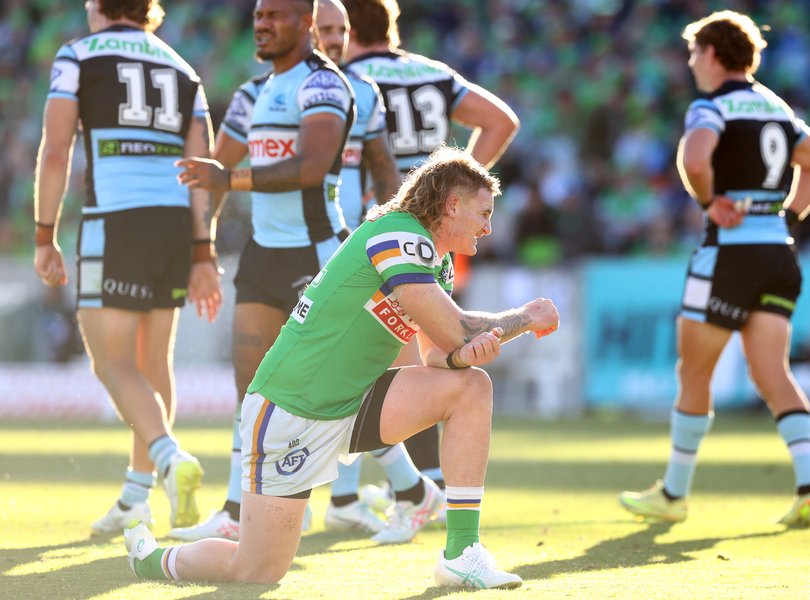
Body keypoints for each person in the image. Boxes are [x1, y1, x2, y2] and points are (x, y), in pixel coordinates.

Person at [124, 145, 560, 589]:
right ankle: (153, 559)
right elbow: (460, 329)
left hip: (353, 400)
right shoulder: (398, 235)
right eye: (483, 213)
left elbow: (437, 354)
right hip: (290, 407)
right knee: (256, 571)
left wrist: (465, 356)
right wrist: (525, 318)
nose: (488, 227)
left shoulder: (437, 261)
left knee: (471, 388)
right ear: (452, 205)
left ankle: (462, 554)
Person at [166, 0, 403, 542]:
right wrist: (202, 251)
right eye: (258, 15)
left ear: (305, 23)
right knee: (251, 392)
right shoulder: (252, 93)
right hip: (262, 256)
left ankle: (411, 489)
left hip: (317, 253)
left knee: (338, 387)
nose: (262, 23)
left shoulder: (325, 86)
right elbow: (212, 177)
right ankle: (234, 514)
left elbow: (311, 167)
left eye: (275, 14)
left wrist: (231, 179)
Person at [33, 0, 223, 534]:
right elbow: (200, 170)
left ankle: (169, 459)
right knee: (153, 363)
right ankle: (137, 496)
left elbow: (54, 153)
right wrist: (203, 251)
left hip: (115, 222)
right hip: (171, 228)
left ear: (96, 6)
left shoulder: (78, 56)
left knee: (112, 363)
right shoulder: (183, 69)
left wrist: (45, 235)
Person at [619, 10, 810, 525]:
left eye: (692, 53)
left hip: (728, 252)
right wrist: (788, 213)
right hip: (779, 252)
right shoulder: (778, 107)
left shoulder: (712, 104)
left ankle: (674, 495)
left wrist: (709, 203)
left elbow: (697, 161)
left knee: (694, 371)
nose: (690, 64)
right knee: (774, 373)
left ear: (711, 53)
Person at [337, 0, 521, 529]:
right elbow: (501, 120)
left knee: (389, 362)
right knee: (420, 353)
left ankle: (411, 496)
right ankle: (410, 492)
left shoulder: (344, 78)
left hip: (376, 232)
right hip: (438, 230)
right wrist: (458, 195)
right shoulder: (432, 74)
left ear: (347, 30)